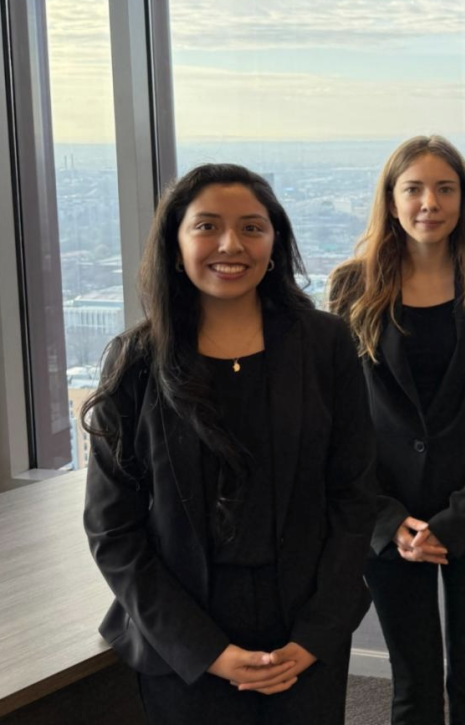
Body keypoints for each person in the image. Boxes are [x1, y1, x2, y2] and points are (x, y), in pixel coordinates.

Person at [82, 163, 375, 724]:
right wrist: (207, 653)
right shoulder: (136, 362)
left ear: (275, 242)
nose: (230, 245)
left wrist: (317, 634)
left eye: (251, 228)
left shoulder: (325, 344)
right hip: (184, 640)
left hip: (303, 629)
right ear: (175, 244)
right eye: (207, 227)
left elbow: (354, 497)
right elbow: (112, 529)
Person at [327, 135, 465, 725]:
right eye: (413, 188)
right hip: (388, 519)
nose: (429, 203)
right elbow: (342, 422)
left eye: (445, 188)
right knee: (411, 681)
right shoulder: (350, 289)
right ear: (390, 200)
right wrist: (389, 520)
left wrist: (459, 519)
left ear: (464, 200)